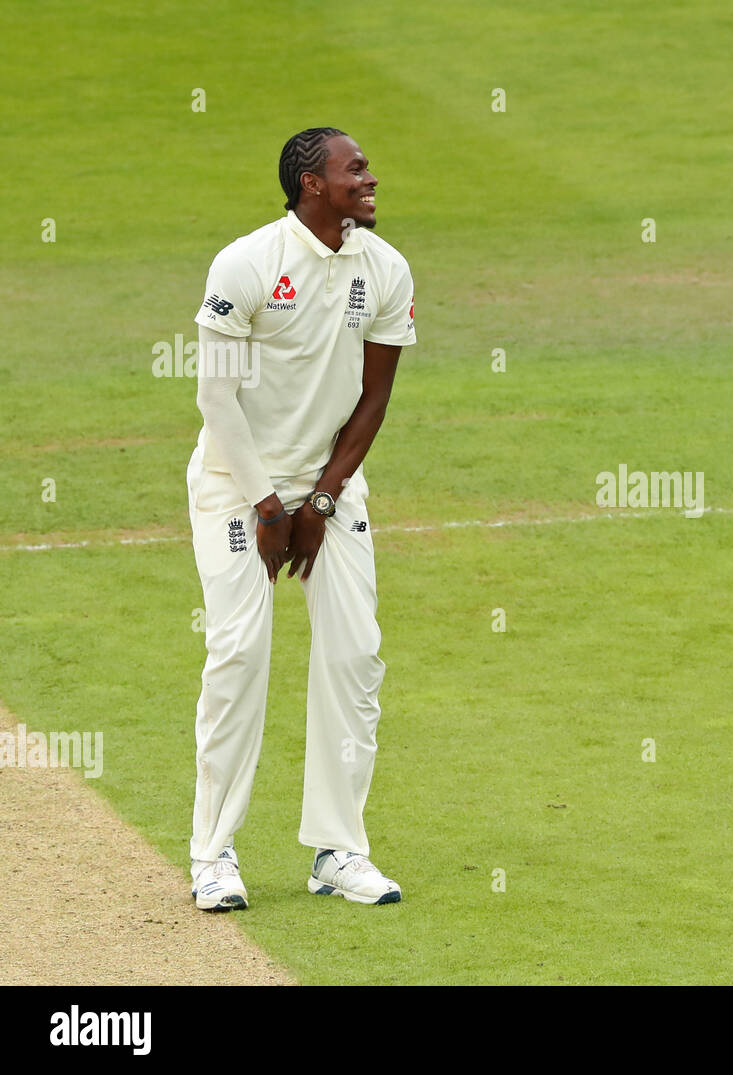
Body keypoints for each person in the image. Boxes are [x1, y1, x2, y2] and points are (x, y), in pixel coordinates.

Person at [187, 127, 415, 910]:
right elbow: (215, 398)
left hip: (328, 484)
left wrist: (319, 499)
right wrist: (266, 504)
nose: (371, 178)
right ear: (311, 185)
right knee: (240, 653)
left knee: (356, 656)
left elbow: (374, 397)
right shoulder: (247, 263)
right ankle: (213, 855)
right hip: (234, 479)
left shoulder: (384, 268)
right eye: (355, 170)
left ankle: (338, 850)